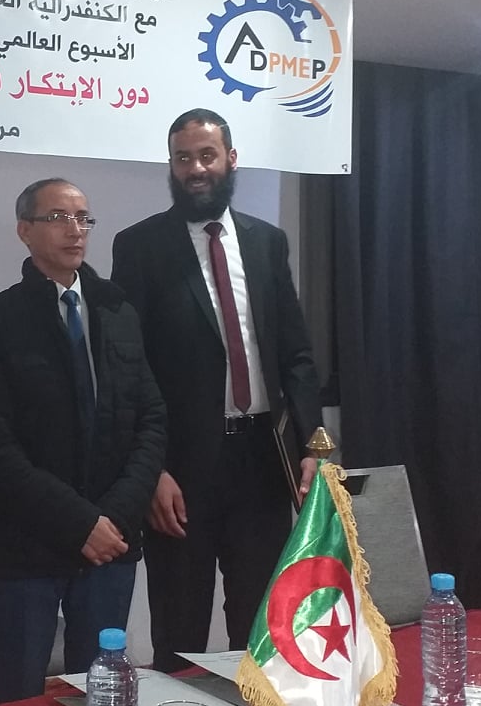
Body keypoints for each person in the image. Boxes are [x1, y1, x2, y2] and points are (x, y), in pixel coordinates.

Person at [111, 109, 323, 671]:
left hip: (263, 463)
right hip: (182, 471)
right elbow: (129, 369)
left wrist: (312, 446)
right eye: (183, 158)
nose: (195, 169)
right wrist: (152, 471)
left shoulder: (266, 242)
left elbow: (296, 355)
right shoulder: (140, 247)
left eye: (207, 156)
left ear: (231, 159)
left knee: (260, 627)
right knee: (180, 629)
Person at [0, 177, 165, 703]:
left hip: (110, 541)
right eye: (57, 218)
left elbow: (150, 418)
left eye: (83, 218)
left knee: (100, 696)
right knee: (17, 698)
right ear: (24, 231)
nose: (75, 230)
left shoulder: (117, 310)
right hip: (26, 543)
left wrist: (115, 515)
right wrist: (78, 522)